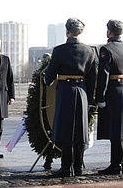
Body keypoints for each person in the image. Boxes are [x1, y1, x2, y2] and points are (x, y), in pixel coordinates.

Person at [44, 18, 96, 177]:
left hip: (65, 91)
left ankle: (66, 167)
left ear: (67, 31)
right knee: (80, 130)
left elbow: (49, 75)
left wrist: (46, 78)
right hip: (82, 91)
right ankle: (79, 167)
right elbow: (92, 78)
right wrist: (91, 98)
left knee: (66, 128)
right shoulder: (90, 50)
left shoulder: (59, 50)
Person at [96, 19, 123, 175]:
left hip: (114, 92)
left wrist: (100, 97)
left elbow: (103, 75)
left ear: (109, 31)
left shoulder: (106, 49)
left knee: (115, 130)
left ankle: (115, 164)